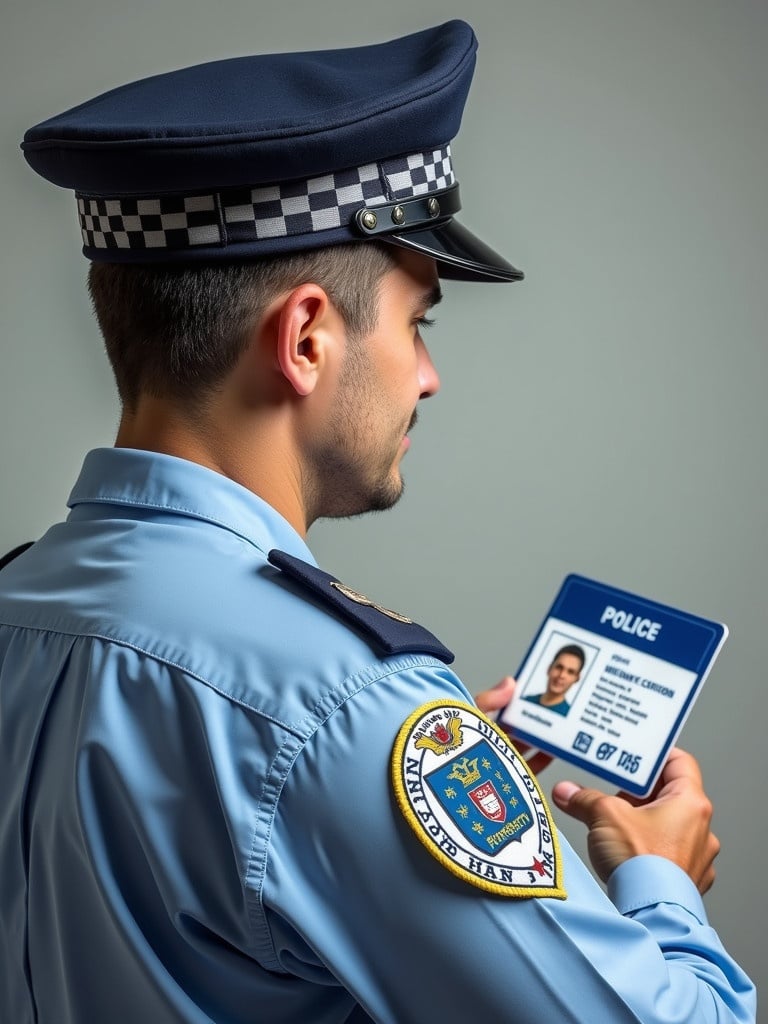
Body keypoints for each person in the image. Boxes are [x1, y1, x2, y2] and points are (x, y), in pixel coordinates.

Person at [0, 20, 755, 1024]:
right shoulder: (347, 704)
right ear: (306, 337)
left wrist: (373, 792)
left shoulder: (19, 605)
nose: (430, 377)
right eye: (418, 322)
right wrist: (659, 881)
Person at [525, 642, 586, 715]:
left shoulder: (569, 716)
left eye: (570, 672)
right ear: (549, 669)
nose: (562, 675)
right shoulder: (525, 701)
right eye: (559, 667)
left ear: (577, 678)